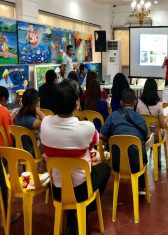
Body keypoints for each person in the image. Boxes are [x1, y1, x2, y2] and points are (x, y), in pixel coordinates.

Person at [40, 79, 110, 233]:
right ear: (77, 103)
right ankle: (85, 210)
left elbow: (45, 118)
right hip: (81, 190)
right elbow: (94, 143)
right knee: (105, 168)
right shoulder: (86, 128)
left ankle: (71, 217)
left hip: (57, 190)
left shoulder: (44, 124)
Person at [100, 88, 148, 190]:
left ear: (121, 102)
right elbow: (145, 137)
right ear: (135, 102)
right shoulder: (141, 118)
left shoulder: (112, 117)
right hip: (136, 164)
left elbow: (102, 136)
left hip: (116, 163)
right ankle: (142, 187)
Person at [136, 78, 168, 163]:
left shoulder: (139, 103)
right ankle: (158, 160)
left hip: (143, 135)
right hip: (155, 137)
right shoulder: (159, 105)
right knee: (160, 132)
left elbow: (137, 120)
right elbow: (163, 125)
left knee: (153, 130)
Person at [0, 86, 21, 223]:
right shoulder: (3, 111)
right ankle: (6, 218)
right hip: (2, 154)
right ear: (3, 99)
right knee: (3, 184)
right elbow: (9, 135)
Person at [14, 89, 46, 156]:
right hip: (31, 152)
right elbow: (46, 121)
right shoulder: (33, 122)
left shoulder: (18, 115)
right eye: (38, 100)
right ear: (35, 103)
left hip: (19, 149)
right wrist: (37, 110)